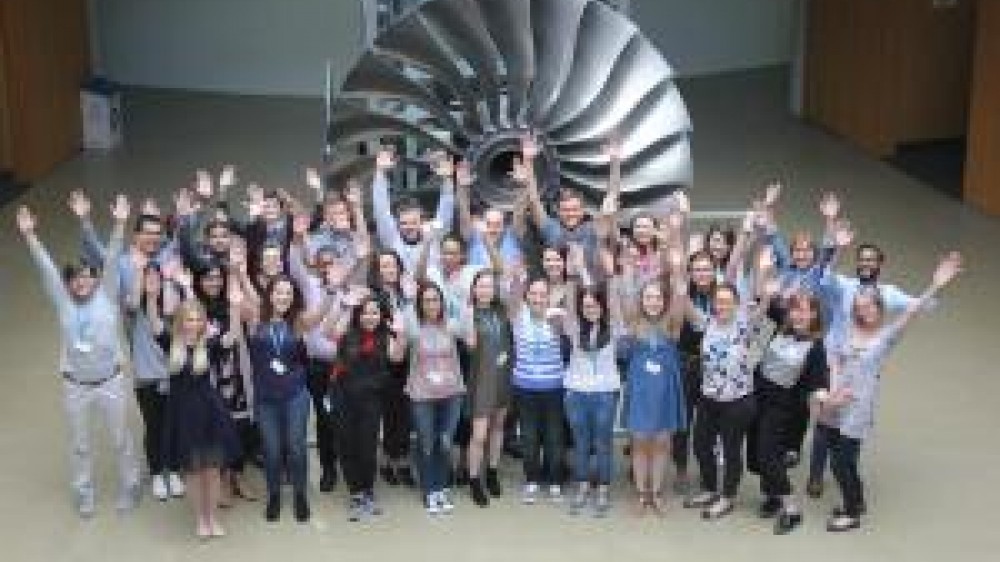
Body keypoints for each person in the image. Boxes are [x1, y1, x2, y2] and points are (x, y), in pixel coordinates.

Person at [816, 252, 961, 532]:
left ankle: (851, 512)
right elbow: (835, 361)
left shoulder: (885, 338)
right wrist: (831, 396)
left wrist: (936, 285)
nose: (865, 311)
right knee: (838, 456)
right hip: (834, 404)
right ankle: (856, 501)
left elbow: (911, 312)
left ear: (879, 309)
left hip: (856, 410)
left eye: (870, 307)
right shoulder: (846, 333)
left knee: (841, 463)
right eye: (860, 307)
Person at [17, 197, 141, 518]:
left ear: (96, 278)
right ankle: (83, 492)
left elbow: (112, 258)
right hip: (76, 386)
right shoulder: (63, 301)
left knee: (120, 438)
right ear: (68, 283)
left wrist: (118, 224)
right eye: (75, 278)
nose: (81, 281)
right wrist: (30, 235)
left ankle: (130, 486)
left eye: (87, 275)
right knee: (80, 444)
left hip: (110, 381)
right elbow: (45, 267)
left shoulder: (108, 296)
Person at [152, 290, 243, 539]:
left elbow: (232, 337)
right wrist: (151, 296)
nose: (193, 324)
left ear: (204, 322)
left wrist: (235, 309)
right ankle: (200, 519)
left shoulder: (209, 346)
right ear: (180, 321)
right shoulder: (171, 344)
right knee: (192, 472)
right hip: (183, 415)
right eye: (189, 319)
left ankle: (213, 517)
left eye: (198, 319)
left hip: (209, 414)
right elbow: (156, 325)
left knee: (212, 471)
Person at [244, 274, 335, 523]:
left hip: (295, 394)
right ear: (269, 295)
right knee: (272, 451)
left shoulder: (299, 321)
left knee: (296, 448)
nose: (283, 297)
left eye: (288, 293)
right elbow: (242, 296)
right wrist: (239, 273)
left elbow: (322, 313)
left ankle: (300, 494)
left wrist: (332, 289)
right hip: (265, 398)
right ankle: (274, 494)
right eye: (278, 292)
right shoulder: (255, 318)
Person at [749, 292, 830, 534]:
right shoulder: (781, 329)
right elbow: (762, 300)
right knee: (755, 454)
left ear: (814, 315)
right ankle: (772, 496)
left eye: (804, 310)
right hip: (758, 397)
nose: (798, 314)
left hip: (784, 408)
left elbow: (819, 383)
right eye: (794, 309)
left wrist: (822, 398)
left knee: (768, 454)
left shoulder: (816, 348)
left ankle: (792, 509)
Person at [618, 244, 689, 515]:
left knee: (661, 444)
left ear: (664, 300)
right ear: (641, 300)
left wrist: (678, 267)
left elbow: (681, 296)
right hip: (640, 392)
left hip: (666, 392)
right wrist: (627, 269)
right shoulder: (634, 323)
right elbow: (625, 294)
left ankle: (656, 492)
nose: (653, 301)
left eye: (658, 297)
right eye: (648, 297)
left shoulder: (671, 325)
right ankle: (640, 493)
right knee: (639, 443)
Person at [327, 291, 407, 522]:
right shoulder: (347, 333)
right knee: (346, 445)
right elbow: (327, 331)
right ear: (357, 314)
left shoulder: (387, 337)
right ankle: (356, 493)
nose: (369, 317)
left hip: (371, 399)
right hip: (342, 397)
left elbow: (398, 358)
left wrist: (400, 333)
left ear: (382, 316)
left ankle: (368, 491)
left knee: (368, 446)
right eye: (365, 313)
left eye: (374, 313)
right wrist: (343, 307)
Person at [559, 246, 624, 516]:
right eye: (586, 305)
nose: (590, 309)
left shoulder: (615, 327)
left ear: (603, 305)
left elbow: (615, 301)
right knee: (581, 442)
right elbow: (571, 302)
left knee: (603, 442)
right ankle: (583, 485)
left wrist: (610, 277)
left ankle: (603, 489)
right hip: (576, 393)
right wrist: (573, 276)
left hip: (605, 395)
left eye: (595, 304)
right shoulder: (573, 328)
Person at [401, 283, 472, 515]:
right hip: (422, 396)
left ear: (442, 303)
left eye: (436, 299)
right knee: (427, 443)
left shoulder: (450, 325)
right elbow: (404, 330)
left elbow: (470, 336)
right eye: (427, 300)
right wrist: (410, 300)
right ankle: (429, 489)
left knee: (444, 442)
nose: (432, 304)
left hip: (451, 394)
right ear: (420, 304)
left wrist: (460, 300)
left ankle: (442, 488)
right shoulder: (414, 326)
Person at [125, 255, 185, 501]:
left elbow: (174, 312)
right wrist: (141, 274)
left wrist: (170, 281)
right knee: (154, 427)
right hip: (148, 381)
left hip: (173, 377)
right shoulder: (133, 311)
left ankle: (173, 470)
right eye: (147, 278)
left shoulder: (171, 308)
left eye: (156, 278)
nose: (152, 282)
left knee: (173, 425)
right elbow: (132, 301)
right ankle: (158, 472)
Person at [464, 268, 515, 507]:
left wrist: (514, 280)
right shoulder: (469, 313)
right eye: (481, 285)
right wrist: (467, 314)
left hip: (503, 377)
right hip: (482, 380)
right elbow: (471, 344)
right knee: (479, 435)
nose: (485, 290)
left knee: (498, 427)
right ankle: (474, 479)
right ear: (473, 289)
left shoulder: (501, 311)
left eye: (489, 286)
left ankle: (492, 471)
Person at [370, 146, 456, 273]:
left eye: (413, 222)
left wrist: (447, 180)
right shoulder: (392, 237)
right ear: (397, 224)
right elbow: (380, 208)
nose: (409, 227)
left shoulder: (434, 235)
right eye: (404, 223)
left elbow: (446, 212)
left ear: (422, 221)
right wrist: (380, 172)